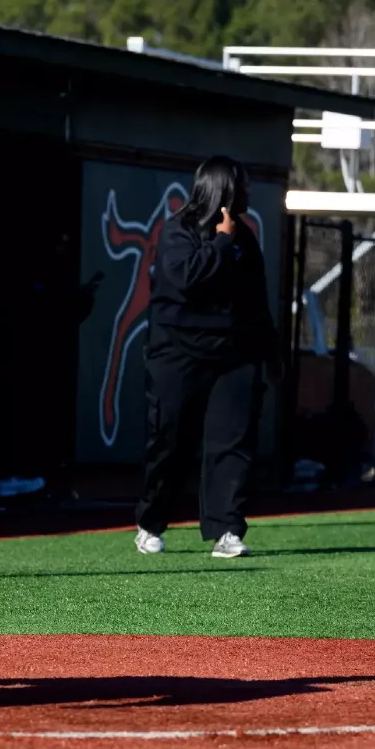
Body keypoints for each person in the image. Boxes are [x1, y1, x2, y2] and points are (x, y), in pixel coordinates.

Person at [135, 156, 280, 559]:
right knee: (169, 441)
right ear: (223, 189)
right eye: (243, 185)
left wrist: (270, 350)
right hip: (177, 351)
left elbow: (256, 300)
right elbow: (185, 279)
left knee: (232, 443)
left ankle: (226, 530)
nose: (248, 192)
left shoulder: (245, 238)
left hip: (234, 353)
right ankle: (150, 522)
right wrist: (220, 242)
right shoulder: (177, 231)